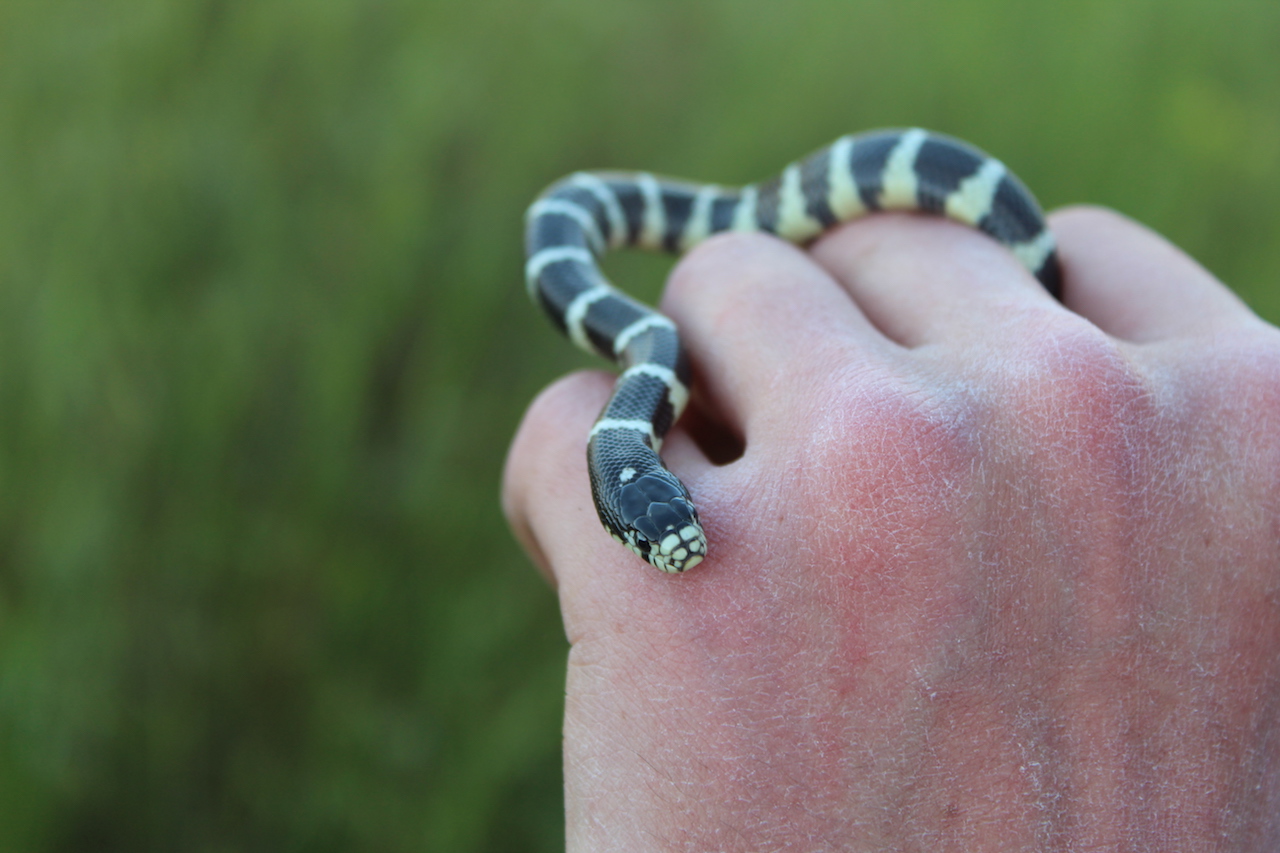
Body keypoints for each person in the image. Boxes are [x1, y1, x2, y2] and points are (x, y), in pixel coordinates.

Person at [503, 206, 1280, 850]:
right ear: (617, 513)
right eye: (649, 540)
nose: (682, 545)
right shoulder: (633, 418)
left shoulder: (639, 416)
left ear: (659, 474)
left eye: (670, 521)